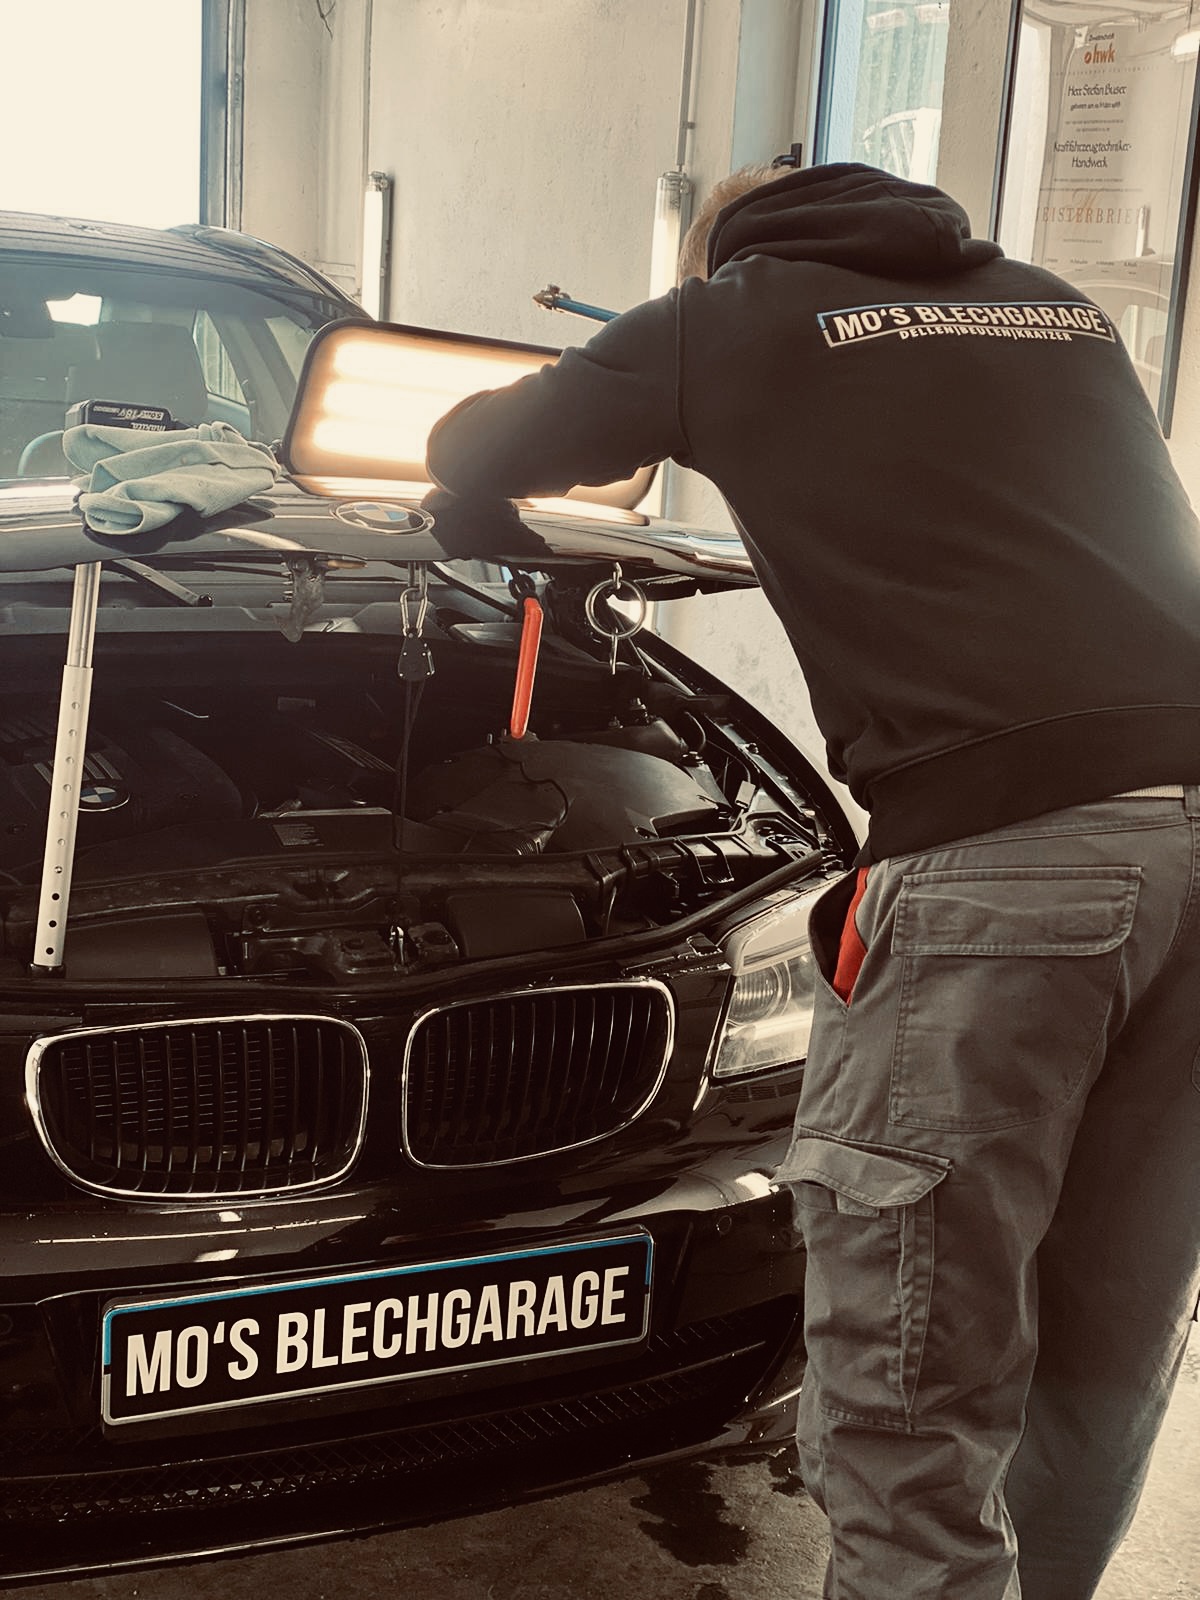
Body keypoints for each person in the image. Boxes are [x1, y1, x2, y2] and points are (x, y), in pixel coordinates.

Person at [424, 161, 1200, 1599]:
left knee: (912, 1378)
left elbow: (482, 443)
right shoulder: (1054, 305)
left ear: (716, 255)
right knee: (1105, 1339)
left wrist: (479, 493)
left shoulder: (729, 314)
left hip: (1013, 868)